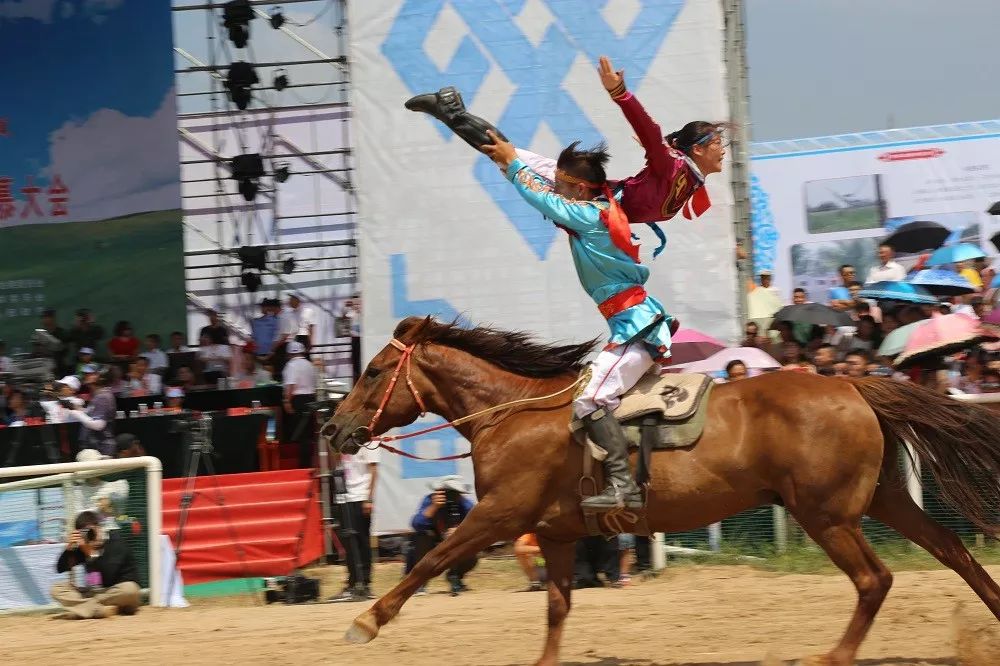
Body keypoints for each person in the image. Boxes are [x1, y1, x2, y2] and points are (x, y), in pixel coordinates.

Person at [480, 133, 679, 513]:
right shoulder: (599, 206)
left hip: (635, 329)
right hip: (635, 325)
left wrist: (514, 165)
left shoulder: (589, 215)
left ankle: (623, 486)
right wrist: (490, 144)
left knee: (590, 397)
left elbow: (541, 194)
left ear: (581, 188)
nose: (555, 186)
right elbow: (543, 179)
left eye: (563, 184)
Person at [406, 54, 724, 238]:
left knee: (505, 155)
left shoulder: (687, 177)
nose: (723, 148)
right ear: (697, 149)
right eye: (717, 142)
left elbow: (655, 160)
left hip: (595, 210)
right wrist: (621, 93)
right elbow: (652, 133)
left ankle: (451, 110)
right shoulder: (677, 167)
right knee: (506, 156)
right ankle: (451, 110)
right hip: (585, 195)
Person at [50, 510, 140, 619]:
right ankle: (98, 610)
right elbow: (60, 568)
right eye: (86, 532)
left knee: (130, 589)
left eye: (92, 530)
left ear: (99, 528)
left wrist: (90, 553)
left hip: (117, 593)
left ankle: (87, 608)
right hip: (95, 592)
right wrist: (68, 549)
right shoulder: (84, 546)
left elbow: (107, 576)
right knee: (57, 589)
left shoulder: (115, 542)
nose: (90, 535)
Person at [409, 476, 476, 597]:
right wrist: (434, 507)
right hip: (432, 544)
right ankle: (420, 583)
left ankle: (455, 577)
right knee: (421, 537)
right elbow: (416, 524)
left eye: (455, 493)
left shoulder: (464, 504)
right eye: (448, 492)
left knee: (474, 550)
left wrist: (461, 530)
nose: (452, 496)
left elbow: (477, 525)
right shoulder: (430, 500)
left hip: (455, 545)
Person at [329, 444, 380, 603]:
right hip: (344, 496)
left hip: (360, 496)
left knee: (362, 541)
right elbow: (337, 461)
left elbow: (374, 470)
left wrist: (369, 499)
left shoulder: (369, 441)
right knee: (348, 542)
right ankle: (352, 583)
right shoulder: (343, 439)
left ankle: (364, 583)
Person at [283, 341, 317, 468]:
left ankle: (303, 464)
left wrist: (287, 400)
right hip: (311, 398)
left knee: (301, 433)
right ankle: (307, 462)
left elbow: (291, 384)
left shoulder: (291, 365)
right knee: (308, 433)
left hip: (298, 399)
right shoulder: (310, 364)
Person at [69, 368, 117, 456]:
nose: (87, 376)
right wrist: (81, 410)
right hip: (94, 446)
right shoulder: (98, 396)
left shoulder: (102, 397)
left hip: (101, 448)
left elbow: (98, 425)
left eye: (92, 374)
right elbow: (92, 416)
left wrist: (77, 413)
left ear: (101, 378)